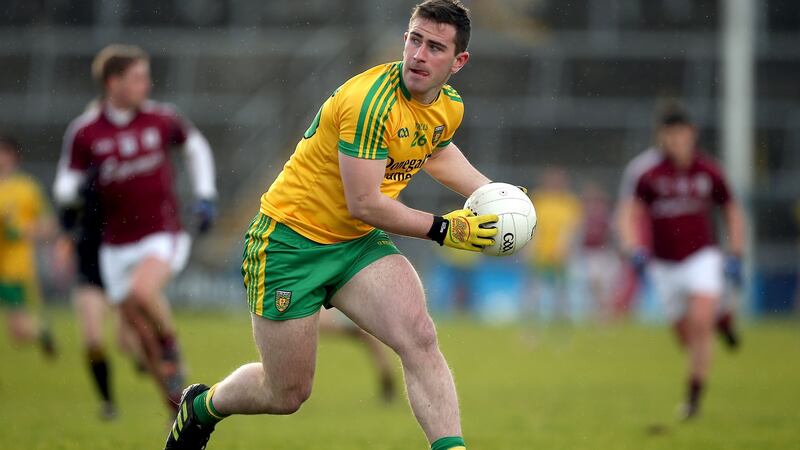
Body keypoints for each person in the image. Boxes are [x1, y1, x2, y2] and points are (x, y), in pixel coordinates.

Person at [164, 2, 508, 449]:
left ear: (458, 62)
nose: (419, 54)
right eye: (414, 39)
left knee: (420, 337)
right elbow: (365, 203)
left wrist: (494, 195)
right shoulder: (370, 103)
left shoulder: (449, 106)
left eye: (435, 47)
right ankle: (201, 407)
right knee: (286, 392)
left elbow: (434, 149)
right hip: (289, 243)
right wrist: (447, 229)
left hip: (355, 245)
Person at [53, 44, 217, 413]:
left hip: (162, 233)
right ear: (113, 83)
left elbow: (196, 148)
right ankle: (176, 412)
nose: (147, 83)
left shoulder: (161, 119)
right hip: (113, 247)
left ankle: (172, 342)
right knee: (141, 338)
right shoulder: (85, 131)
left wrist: (205, 194)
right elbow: (65, 184)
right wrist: (79, 190)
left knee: (143, 294)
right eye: (138, 77)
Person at [618, 104, 746, 420]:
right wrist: (632, 248)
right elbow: (628, 213)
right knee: (685, 336)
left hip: (703, 255)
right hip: (664, 264)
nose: (676, 142)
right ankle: (723, 316)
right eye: (670, 136)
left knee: (701, 323)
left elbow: (731, 210)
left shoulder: (709, 170)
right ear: (662, 137)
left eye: (682, 135)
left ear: (692, 135)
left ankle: (692, 401)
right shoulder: (646, 172)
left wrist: (737, 253)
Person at [0, 135, 57, 357]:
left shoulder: (26, 188)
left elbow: (49, 226)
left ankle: (41, 332)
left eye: (4, 153)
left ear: (15, 158)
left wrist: (22, 231)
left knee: (18, 332)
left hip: (13, 269)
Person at [525, 167, 582, 322]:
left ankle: (561, 321)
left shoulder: (569, 202)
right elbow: (532, 225)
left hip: (561, 255)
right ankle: (531, 321)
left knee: (561, 290)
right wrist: (530, 247)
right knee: (534, 290)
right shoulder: (539, 199)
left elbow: (573, 228)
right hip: (540, 254)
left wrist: (565, 247)